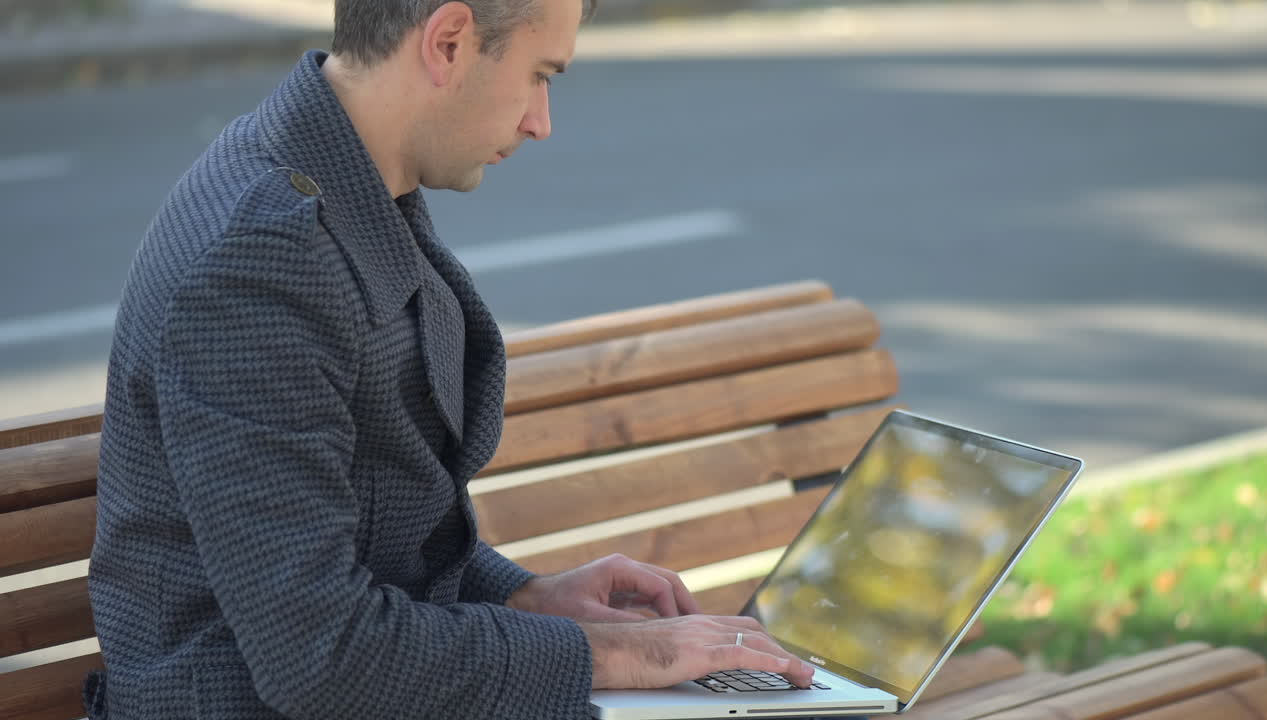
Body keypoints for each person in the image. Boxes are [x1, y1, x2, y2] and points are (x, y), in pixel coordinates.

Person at [85, 0, 814, 717]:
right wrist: (623, 655)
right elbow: (322, 657)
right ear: (449, 41)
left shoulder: (335, 169)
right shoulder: (262, 258)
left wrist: (525, 598)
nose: (540, 120)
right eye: (538, 73)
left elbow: (365, 527)